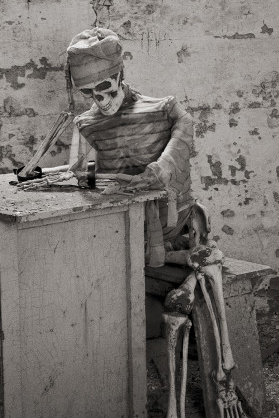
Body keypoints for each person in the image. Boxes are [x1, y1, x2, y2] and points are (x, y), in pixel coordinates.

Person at [63, 26, 201, 266]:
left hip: (169, 222)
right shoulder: (86, 124)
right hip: (117, 227)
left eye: (104, 87)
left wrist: (161, 168)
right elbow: (84, 177)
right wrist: (86, 179)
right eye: (88, 91)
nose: (99, 99)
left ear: (120, 74)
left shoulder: (164, 110)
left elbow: (185, 124)